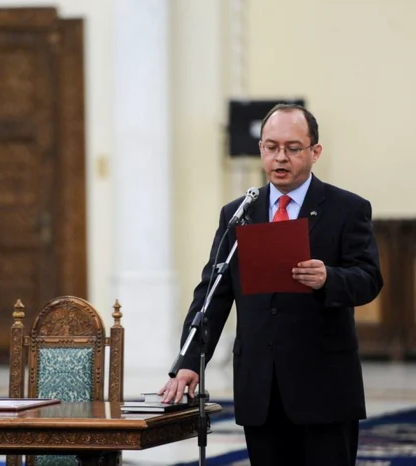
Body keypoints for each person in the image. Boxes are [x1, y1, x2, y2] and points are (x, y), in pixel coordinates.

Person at [159, 103, 383, 465]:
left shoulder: (346, 209)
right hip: (260, 387)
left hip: (324, 386)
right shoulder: (240, 213)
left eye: (293, 148)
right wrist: (189, 361)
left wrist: (329, 277)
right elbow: (214, 291)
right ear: (260, 149)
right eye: (271, 147)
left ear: (315, 152)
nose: (281, 157)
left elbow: (370, 279)